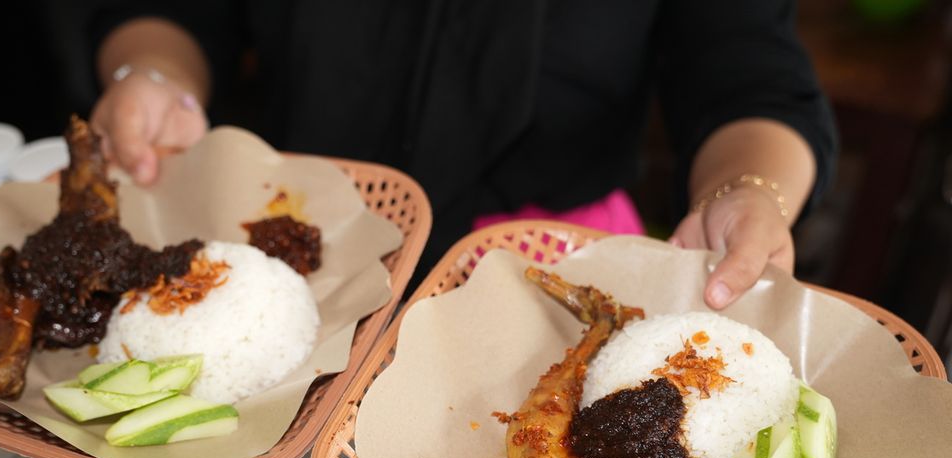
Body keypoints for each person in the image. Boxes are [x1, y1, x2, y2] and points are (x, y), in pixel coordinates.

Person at [87, 2, 836, 308]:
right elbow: (174, 12)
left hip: (555, 274)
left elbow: (751, 78)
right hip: (289, 238)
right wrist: (154, 77)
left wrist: (752, 188)